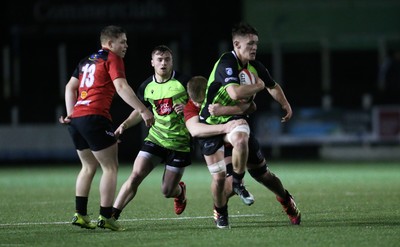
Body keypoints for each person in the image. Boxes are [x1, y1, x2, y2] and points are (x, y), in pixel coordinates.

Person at [199, 22, 301, 225]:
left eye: (256, 43)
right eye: (250, 44)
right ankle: (221, 211)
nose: (254, 47)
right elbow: (235, 92)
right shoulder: (227, 62)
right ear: (236, 44)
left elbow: (272, 86)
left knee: (264, 175)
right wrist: (258, 86)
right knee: (221, 182)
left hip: (235, 120)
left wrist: (286, 105)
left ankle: (285, 199)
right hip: (212, 126)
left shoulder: (255, 67)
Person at [59, 25, 154, 231]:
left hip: (78, 119)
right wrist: (143, 110)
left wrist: (70, 114)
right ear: (110, 43)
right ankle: (106, 217)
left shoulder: (85, 61)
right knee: (110, 167)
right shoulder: (112, 58)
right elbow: (121, 87)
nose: (126, 45)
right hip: (95, 117)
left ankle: (81, 215)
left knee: (88, 167)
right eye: (123, 41)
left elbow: (70, 88)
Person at [110, 45, 191, 228]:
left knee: (167, 190)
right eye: (159, 60)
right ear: (152, 62)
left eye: (167, 59)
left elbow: (201, 105)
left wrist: (188, 109)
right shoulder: (146, 86)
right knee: (136, 174)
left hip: (179, 143)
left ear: (172, 61)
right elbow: (140, 112)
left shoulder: (185, 82)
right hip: (155, 139)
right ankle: (111, 215)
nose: (163, 63)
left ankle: (179, 192)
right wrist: (124, 124)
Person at [184, 75, 255, 228]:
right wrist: (225, 127)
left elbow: (251, 107)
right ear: (190, 97)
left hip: (228, 141)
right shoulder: (190, 106)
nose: (199, 104)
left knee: (233, 182)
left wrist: (244, 103)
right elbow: (195, 130)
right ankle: (220, 211)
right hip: (211, 139)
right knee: (219, 179)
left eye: (201, 100)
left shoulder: (219, 94)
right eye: (196, 101)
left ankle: (235, 187)